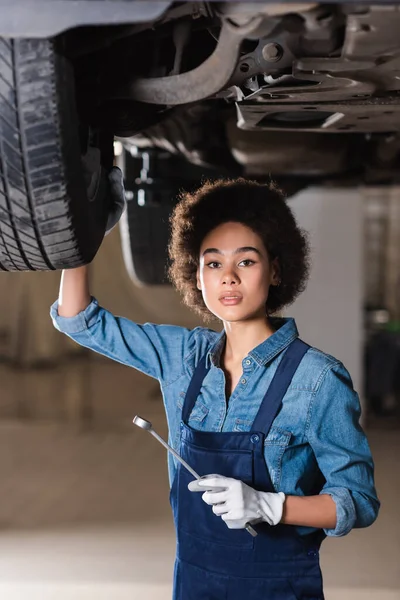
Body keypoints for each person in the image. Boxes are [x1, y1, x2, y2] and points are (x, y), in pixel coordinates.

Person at [50, 169, 380, 600]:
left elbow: (358, 500)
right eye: (213, 263)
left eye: (246, 260)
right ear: (197, 275)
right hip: (194, 584)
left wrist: (270, 506)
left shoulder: (317, 378)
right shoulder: (182, 358)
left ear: (275, 270)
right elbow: (79, 321)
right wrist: (84, 233)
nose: (228, 277)